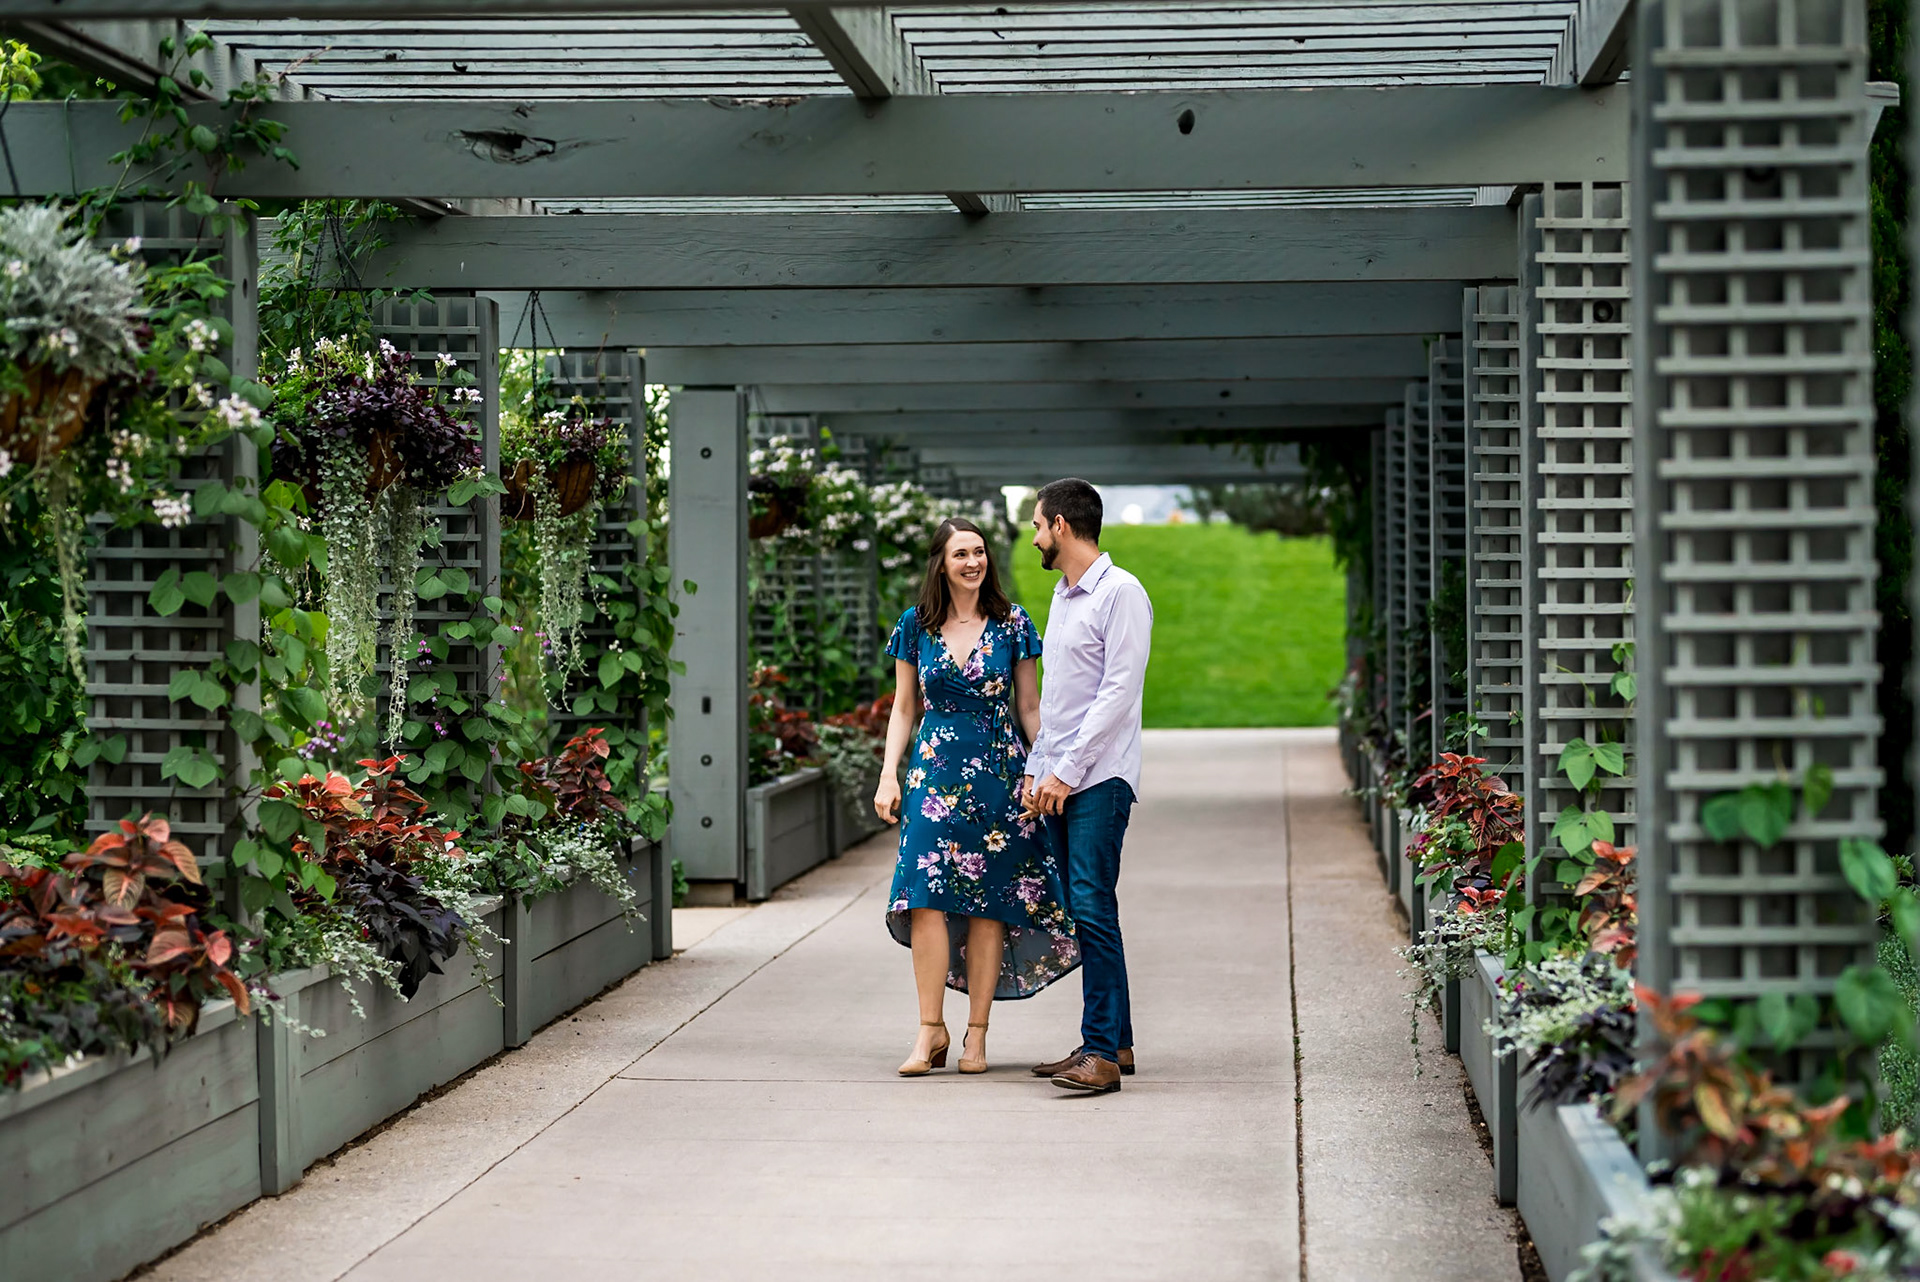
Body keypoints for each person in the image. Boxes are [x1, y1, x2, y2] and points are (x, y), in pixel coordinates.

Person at [874, 517, 1078, 1078]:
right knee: (925, 899)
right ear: (941, 562)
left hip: (1001, 777)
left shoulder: (1013, 624)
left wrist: (1048, 772)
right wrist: (888, 774)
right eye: (961, 553)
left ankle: (977, 1036)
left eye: (980, 552)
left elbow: (1031, 710)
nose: (973, 562)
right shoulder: (914, 625)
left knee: (991, 904)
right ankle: (929, 1029)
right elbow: (903, 706)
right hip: (933, 780)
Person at [1022, 478, 1153, 1095]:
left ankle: (1099, 1053)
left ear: (1063, 527)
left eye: (1039, 524)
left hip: (1100, 778)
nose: (1035, 535)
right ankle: (1115, 1041)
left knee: (1093, 905)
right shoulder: (1063, 595)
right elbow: (1059, 698)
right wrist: (1037, 768)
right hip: (1061, 774)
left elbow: (1117, 696)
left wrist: (1067, 770)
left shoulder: (1121, 593)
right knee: (1085, 908)